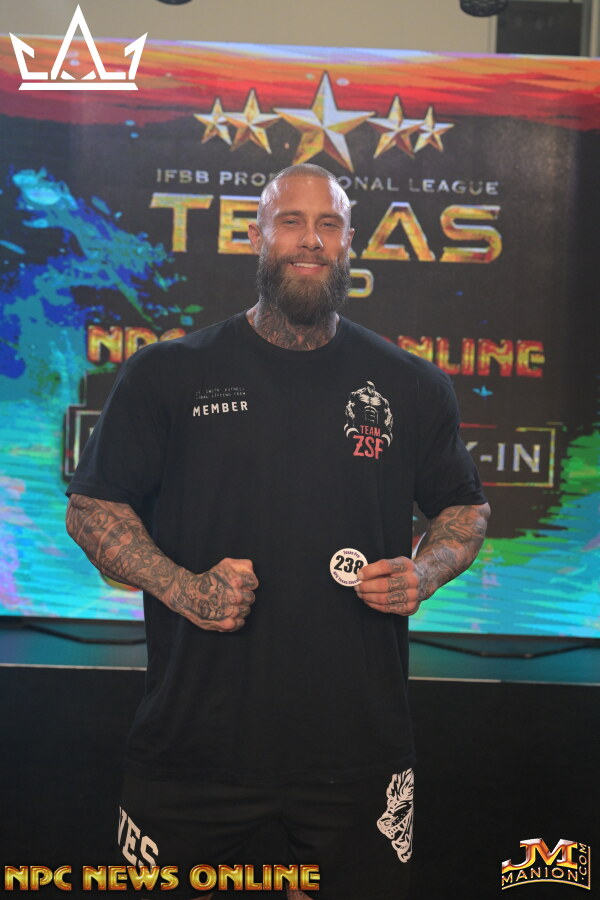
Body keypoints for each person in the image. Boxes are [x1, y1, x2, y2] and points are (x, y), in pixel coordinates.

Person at [66, 163, 490, 900]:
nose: (310, 240)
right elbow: (92, 507)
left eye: (328, 225)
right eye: (291, 221)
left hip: (357, 750)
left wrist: (423, 573)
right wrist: (184, 588)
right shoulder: (169, 373)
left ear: (349, 243)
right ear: (257, 236)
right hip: (192, 743)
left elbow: (465, 509)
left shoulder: (411, 385)